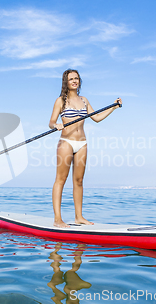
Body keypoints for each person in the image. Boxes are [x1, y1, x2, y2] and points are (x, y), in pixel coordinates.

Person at [48, 69, 122, 228]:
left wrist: (113, 107)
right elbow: (51, 122)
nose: (74, 81)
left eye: (76, 78)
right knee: (61, 180)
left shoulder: (84, 100)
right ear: (66, 82)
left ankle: (79, 217)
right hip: (66, 142)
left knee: (79, 181)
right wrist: (56, 125)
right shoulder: (61, 101)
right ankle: (57, 219)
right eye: (71, 79)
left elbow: (96, 117)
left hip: (82, 143)